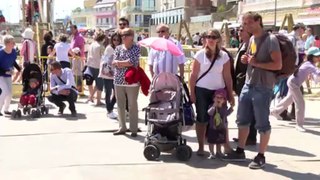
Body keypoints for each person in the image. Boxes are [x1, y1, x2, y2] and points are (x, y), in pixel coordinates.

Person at [222, 12, 282, 170]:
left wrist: (256, 63)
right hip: (248, 84)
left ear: (258, 21)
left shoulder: (271, 40)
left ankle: (261, 155)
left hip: (263, 87)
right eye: (244, 24)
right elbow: (251, 59)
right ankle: (240, 150)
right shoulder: (251, 40)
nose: (245, 26)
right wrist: (246, 60)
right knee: (242, 119)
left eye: (248, 23)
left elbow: (277, 65)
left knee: (262, 123)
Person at [189, 28, 235, 156]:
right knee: (202, 118)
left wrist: (230, 94)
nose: (211, 39)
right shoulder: (200, 55)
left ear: (218, 39)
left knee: (220, 119)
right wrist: (192, 93)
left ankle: (223, 146)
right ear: (204, 39)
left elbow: (227, 77)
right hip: (202, 90)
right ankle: (201, 147)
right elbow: (193, 76)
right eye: (208, 37)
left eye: (214, 37)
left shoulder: (224, 56)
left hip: (218, 92)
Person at [271, 47, 320, 132]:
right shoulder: (309, 64)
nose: (318, 57)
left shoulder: (308, 64)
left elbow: (314, 74)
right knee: (300, 103)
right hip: (294, 84)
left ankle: (274, 111)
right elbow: (318, 72)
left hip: (293, 83)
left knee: (289, 100)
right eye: (317, 56)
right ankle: (299, 125)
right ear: (311, 56)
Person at [112, 28, 140, 137]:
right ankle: (122, 127)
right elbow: (113, 62)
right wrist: (123, 63)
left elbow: (132, 62)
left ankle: (133, 128)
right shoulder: (118, 48)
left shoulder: (137, 47)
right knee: (120, 104)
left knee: (132, 105)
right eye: (122, 35)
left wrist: (120, 62)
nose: (123, 37)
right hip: (118, 80)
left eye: (126, 35)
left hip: (132, 81)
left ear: (132, 36)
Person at [233, 27, 256, 146]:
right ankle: (244, 136)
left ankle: (251, 137)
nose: (239, 32)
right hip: (241, 81)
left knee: (249, 111)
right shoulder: (243, 44)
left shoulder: (251, 45)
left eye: (242, 30)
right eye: (239, 30)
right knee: (243, 111)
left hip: (247, 81)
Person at [99, 33, 122, 119]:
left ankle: (110, 108)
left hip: (117, 74)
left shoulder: (121, 48)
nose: (116, 41)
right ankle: (109, 110)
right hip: (108, 74)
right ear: (111, 40)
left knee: (117, 93)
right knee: (108, 92)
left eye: (118, 40)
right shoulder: (109, 48)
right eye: (114, 39)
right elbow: (105, 60)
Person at [207, 89, 233, 159]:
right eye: (217, 97)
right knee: (211, 141)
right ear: (214, 98)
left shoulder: (224, 108)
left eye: (221, 98)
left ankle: (218, 152)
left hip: (221, 128)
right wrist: (214, 106)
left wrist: (231, 109)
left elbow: (225, 114)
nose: (218, 99)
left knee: (219, 141)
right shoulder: (211, 106)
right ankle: (211, 152)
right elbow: (209, 113)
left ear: (224, 100)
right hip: (213, 127)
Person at [0, 35, 20, 116]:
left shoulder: (14, 51)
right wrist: (5, 71)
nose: (14, 44)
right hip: (0, 75)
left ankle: (6, 110)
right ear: (7, 43)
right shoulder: (1, 53)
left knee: (10, 93)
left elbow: (13, 61)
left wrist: (18, 68)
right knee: (5, 91)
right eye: (12, 42)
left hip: (8, 75)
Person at [86, 30, 105, 105]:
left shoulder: (91, 45)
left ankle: (91, 97)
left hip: (90, 65)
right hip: (98, 66)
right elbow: (103, 57)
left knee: (92, 83)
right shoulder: (101, 46)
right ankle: (97, 101)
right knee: (99, 84)